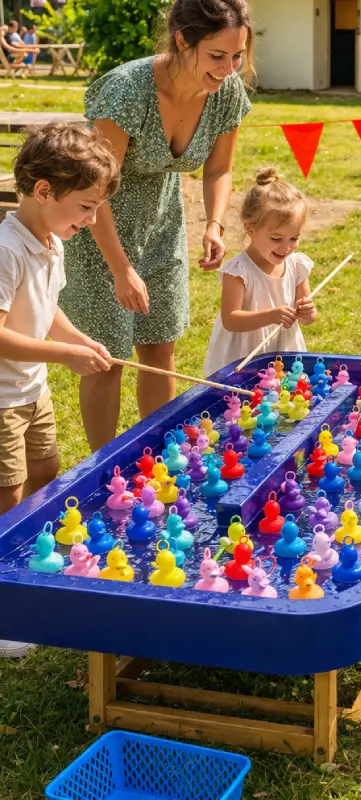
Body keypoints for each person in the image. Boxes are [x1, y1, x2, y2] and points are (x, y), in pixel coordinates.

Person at [60, 0, 253, 452]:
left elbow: (218, 169)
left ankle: (155, 460)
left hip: (161, 224)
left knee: (159, 347)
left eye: (237, 56)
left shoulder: (225, 93)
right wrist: (121, 268)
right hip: (99, 225)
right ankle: (100, 470)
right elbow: (97, 182)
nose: (228, 68)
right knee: (106, 359)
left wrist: (214, 224)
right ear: (184, 41)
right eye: (217, 56)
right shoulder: (128, 90)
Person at [0, 123, 119, 656]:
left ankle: (27, 575)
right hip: (2, 399)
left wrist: (79, 340)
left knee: (45, 475)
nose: (91, 220)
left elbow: (48, 315)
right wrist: (67, 355)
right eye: (86, 206)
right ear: (44, 190)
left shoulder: (51, 241)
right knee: (6, 496)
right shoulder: (6, 249)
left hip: (33, 391)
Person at [203, 167, 318, 376]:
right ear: (250, 229)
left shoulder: (297, 266)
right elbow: (230, 319)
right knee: (240, 405)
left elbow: (309, 319)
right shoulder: (239, 271)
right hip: (242, 357)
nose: (286, 247)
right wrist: (271, 316)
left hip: (284, 353)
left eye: (294, 238)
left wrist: (308, 312)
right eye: (276, 239)